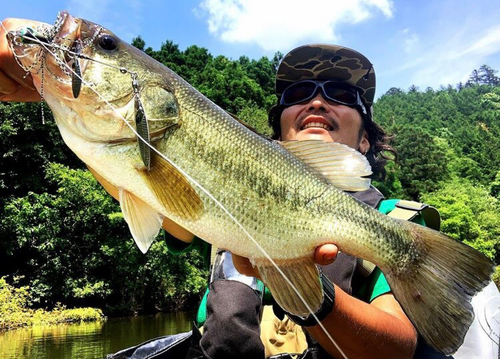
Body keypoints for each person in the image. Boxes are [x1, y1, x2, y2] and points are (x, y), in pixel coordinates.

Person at [1, 18, 496, 359]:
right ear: (278, 131)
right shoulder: (204, 186)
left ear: (364, 141)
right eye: (298, 95)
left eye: (341, 97)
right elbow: (143, 180)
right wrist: (45, 75)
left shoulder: (395, 223)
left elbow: (399, 350)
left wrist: (311, 294)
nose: (318, 102)